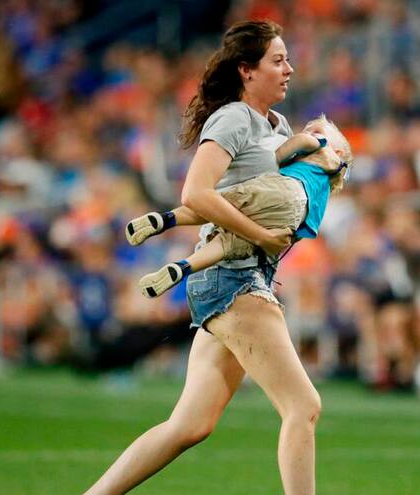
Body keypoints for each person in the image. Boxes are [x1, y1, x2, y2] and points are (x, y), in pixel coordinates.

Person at [84, 20, 321, 495]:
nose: (289, 69)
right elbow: (196, 193)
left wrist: (316, 150)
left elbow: (267, 192)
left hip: (242, 275)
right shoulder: (233, 119)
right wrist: (262, 237)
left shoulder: (276, 125)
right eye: (277, 60)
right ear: (246, 71)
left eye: (288, 59)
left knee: (189, 426)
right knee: (303, 405)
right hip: (231, 277)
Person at [126, 114, 352, 298]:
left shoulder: (319, 145)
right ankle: (182, 268)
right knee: (229, 244)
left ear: (338, 151)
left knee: (219, 206)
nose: (309, 130)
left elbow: (298, 143)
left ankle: (166, 220)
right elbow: (305, 228)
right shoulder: (323, 191)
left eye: (317, 128)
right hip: (291, 219)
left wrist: (275, 157)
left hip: (283, 188)